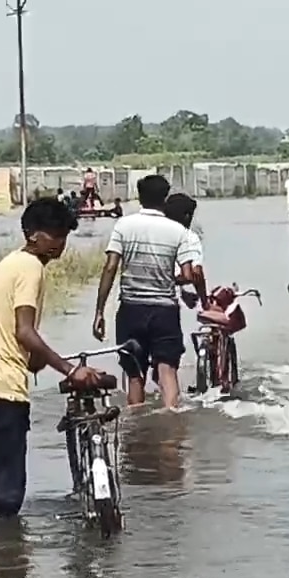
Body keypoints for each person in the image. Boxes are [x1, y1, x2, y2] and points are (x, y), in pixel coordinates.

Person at [0, 197, 105, 526]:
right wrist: (70, 369)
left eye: (64, 234)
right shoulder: (31, 268)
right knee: (8, 491)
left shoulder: (9, 263)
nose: (61, 243)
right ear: (33, 235)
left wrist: (37, 360)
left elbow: (20, 337)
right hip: (3, 393)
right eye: (55, 234)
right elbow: (24, 331)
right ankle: (6, 559)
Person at [93, 174, 201, 409]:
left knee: (134, 374)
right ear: (165, 198)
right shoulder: (178, 231)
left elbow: (110, 267)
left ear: (140, 197)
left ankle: (136, 432)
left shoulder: (123, 225)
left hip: (131, 309)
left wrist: (99, 311)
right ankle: (172, 428)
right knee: (167, 370)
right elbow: (187, 274)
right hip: (164, 312)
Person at [163, 192, 209, 311]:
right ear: (187, 217)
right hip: (166, 306)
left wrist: (182, 292)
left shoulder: (152, 232)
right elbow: (195, 274)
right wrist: (205, 302)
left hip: (133, 303)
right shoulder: (189, 237)